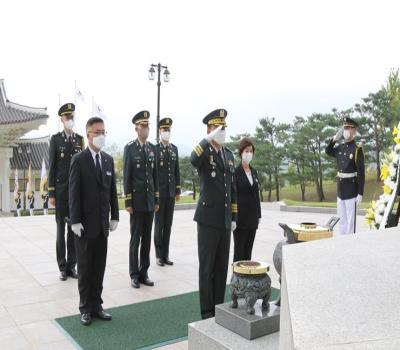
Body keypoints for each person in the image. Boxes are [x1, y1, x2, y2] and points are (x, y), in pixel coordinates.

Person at [69, 116, 119, 326]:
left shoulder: (107, 160)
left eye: (103, 132)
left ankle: (97, 305)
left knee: (99, 267)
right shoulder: (79, 160)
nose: (101, 136)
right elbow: (74, 193)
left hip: (102, 225)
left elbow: (112, 191)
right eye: (97, 132)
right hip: (84, 226)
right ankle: (85, 308)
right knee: (86, 268)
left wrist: (115, 215)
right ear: (88, 134)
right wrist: (75, 221)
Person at [190, 108, 237, 319]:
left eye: (224, 128)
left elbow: (232, 188)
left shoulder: (228, 155)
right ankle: (207, 311)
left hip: (225, 220)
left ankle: (219, 306)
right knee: (206, 267)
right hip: (208, 219)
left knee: (220, 268)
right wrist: (206, 140)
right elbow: (192, 158)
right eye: (218, 128)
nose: (222, 132)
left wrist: (234, 216)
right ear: (210, 130)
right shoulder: (205, 153)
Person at [123, 111, 159, 289]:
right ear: (136, 128)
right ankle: (134, 274)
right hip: (136, 202)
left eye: (147, 126)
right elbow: (127, 175)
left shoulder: (152, 148)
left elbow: (155, 176)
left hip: (149, 202)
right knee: (135, 239)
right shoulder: (130, 148)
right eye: (143, 126)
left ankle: (144, 272)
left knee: (147, 239)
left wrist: (156, 199)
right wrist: (128, 202)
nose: (146, 129)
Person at [48, 103, 84, 281]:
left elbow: (82, 167)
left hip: (75, 193)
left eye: (72, 117)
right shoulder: (56, 140)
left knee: (74, 229)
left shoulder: (79, 140)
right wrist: (52, 193)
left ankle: (72, 266)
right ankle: (62, 267)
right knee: (60, 230)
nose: (70, 120)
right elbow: (52, 167)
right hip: (61, 192)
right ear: (61, 119)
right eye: (67, 117)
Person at [325, 117, 365, 235]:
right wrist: (333, 140)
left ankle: (350, 242)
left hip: (351, 190)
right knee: (341, 219)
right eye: (344, 128)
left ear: (354, 130)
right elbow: (328, 151)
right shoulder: (340, 148)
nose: (346, 130)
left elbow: (361, 174)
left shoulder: (357, 150)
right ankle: (342, 241)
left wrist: (360, 193)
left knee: (350, 222)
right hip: (340, 190)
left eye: (348, 128)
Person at [154, 118, 181, 267]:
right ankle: (158, 255)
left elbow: (176, 171)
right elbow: (154, 174)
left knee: (168, 225)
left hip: (170, 193)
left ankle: (166, 255)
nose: (166, 132)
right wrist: (155, 193)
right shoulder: (155, 149)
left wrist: (177, 190)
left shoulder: (174, 149)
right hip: (160, 193)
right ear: (159, 131)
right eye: (164, 129)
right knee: (159, 225)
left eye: (168, 129)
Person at [233, 137, 261, 262]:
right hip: (240, 219)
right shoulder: (235, 172)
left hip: (252, 218)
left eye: (251, 151)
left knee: (248, 252)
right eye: (246, 151)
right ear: (241, 153)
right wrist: (233, 217)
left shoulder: (254, 172)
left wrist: (259, 215)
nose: (249, 153)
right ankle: (237, 279)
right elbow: (233, 196)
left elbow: (256, 195)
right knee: (239, 252)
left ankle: (246, 280)